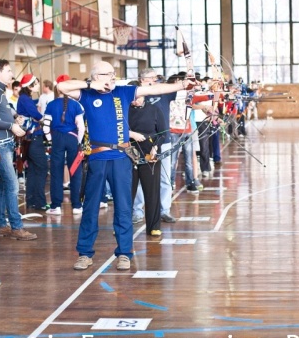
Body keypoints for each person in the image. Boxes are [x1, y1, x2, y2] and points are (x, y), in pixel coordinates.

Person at [56, 61, 196, 271]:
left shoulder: (123, 92)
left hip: (121, 157)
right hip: (97, 157)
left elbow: (154, 88)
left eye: (113, 74)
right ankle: (85, 254)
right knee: (90, 207)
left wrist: (182, 85)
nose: (112, 77)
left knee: (123, 207)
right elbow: (62, 87)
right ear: (96, 76)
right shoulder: (87, 95)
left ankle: (124, 253)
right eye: (107, 74)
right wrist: (89, 84)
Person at [0, 59, 37, 241]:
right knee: (12, 185)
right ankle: (16, 226)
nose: (11, 74)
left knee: (3, 185)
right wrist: (11, 126)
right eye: (8, 70)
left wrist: (15, 116)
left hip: (4, 143)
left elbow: (3, 110)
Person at [131, 69, 177, 225]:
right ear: (141, 80)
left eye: (156, 78)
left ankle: (164, 210)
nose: (154, 81)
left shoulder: (163, 91)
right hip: (139, 145)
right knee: (137, 179)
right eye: (150, 78)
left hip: (162, 141)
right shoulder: (136, 95)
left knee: (165, 178)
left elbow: (180, 88)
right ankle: (137, 211)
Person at [128, 81, 167, 236]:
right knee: (126, 193)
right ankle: (122, 226)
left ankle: (154, 225)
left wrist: (156, 146)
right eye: (132, 97)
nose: (135, 100)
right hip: (128, 155)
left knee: (152, 192)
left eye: (138, 96)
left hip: (150, 155)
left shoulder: (154, 109)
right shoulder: (124, 110)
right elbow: (118, 132)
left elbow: (163, 133)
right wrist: (132, 136)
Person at [43, 75, 85, 215]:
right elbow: (81, 127)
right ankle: (77, 206)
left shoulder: (51, 104)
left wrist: (50, 139)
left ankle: (56, 206)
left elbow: (46, 127)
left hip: (57, 139)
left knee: (56, 172)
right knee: (75, 171)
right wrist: (77, 141)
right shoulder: (76, 105)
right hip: (73, 138)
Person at [16, 74, 48, 210]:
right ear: (29, 85)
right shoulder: (26, 99)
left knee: (34, 170)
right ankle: (39, 202)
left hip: (29, 139)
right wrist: (44, 118)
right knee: (41, 168)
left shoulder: (24, 98)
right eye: (35, 84)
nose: (38, 86)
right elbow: (36, 115)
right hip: (34, 138)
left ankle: (32, 201)